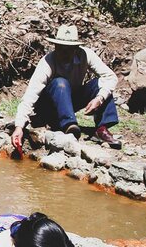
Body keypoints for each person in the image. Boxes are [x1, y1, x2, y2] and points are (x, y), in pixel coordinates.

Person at [11, 24, 121, 152]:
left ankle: (101, 129)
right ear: (55, 47)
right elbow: (30, 95)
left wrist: (100, 98)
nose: (63, 52)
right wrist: (19, 126)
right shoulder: (47, 61)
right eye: (60, 48)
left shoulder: (86, 55)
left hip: (70, 101)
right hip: (49, 106)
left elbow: (110, 77)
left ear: (76, 49)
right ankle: (70, 126)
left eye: (68, 49)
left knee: (101, 84)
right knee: (60, 83)